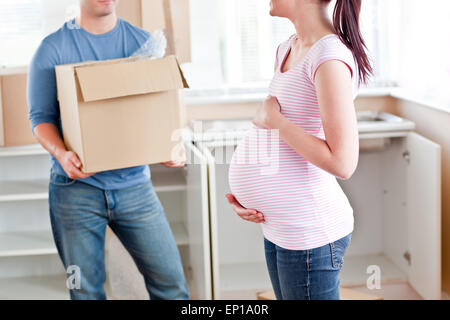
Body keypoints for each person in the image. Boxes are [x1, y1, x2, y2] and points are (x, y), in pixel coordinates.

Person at [27, 0, 189, 300]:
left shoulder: (143, 44)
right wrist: (62, 154)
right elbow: (40, 118)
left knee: (172, 286)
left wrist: (169, 144)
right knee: (84, 290)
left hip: (135, 188)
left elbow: (157, 108)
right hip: (75, 190)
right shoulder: (53, 48)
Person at [226, 0, 372, 300]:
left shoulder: (329, 56)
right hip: (281, 228)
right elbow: (278, 139)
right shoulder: (288, 48)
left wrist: (276, 121)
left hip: (310, 234)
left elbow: (343, 162)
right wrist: (249, 197)